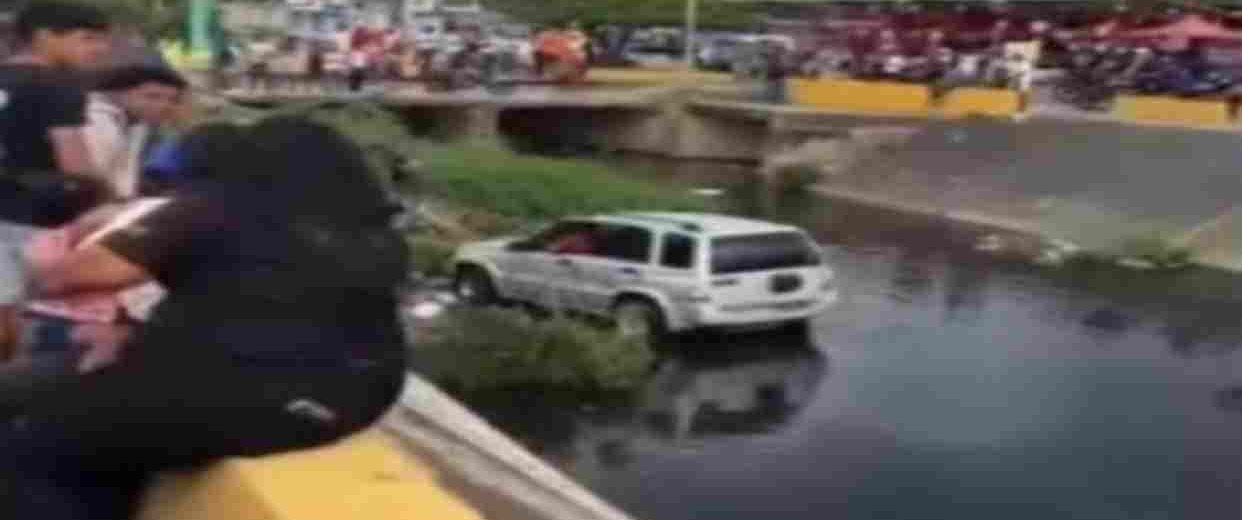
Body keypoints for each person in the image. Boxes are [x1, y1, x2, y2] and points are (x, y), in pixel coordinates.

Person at [0, 117, 410, 519]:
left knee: (34, 443)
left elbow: (69, 277)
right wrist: (137, 333)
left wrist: (51, 252)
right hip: (350, 404)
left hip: (233, 397)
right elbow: (278, 304)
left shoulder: (215, 207)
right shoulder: (375, 235)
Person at [0, 2, 111, 355]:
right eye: (87, 39)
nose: (97, 49)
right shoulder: (58, 85)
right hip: (37, 216)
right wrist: (109, 199)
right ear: (44, 36)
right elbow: (74, 162)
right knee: (28, 318)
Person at [84, 66, 188, 200]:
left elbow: (125, 179)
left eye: (173, 100)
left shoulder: (137, 123)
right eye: (152, 96)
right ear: (117, 94)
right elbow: (94, 176)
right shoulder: (96, 119)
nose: (164, 106)